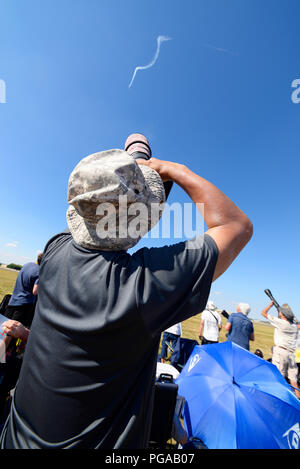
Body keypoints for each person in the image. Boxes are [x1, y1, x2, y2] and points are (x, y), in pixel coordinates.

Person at [0, 133, 253, 449]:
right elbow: (237, 226)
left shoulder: (56, 249)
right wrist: (176, 170)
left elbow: (103, 220)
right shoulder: (142, 286)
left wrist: (127, 174)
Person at [261, 301, 300, 399]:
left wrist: (270, 304)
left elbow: (263, 313)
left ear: (283, 315)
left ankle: (279, 397)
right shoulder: (294, 327)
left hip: (280, 352)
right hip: (291, 354)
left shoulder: (281, 323)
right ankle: (298, 398)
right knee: (293, 379)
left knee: (279, 375)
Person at [4, 253, 42, 328]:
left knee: (4, 326)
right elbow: (35, 291)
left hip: (13, 300)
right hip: (25, 305)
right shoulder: (40, 272)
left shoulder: (27, 265)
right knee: (13, 331)